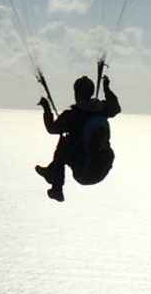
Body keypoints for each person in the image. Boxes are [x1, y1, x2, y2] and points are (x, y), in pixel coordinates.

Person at [36, 62, 120, 201]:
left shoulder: (73, 115)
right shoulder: (103, 108)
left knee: (65, 141)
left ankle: (56, 185)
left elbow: (52, 129)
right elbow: (116, 107)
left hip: (84, 172)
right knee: (71, 140)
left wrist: (46, 107)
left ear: (76, 93)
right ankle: (52, 174)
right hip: (101, 168)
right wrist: (106, 88)